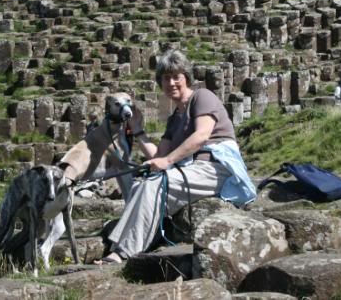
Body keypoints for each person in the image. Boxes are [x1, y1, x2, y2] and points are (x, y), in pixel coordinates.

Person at [98, 50, 256, 263]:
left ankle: (124, 253)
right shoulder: (175, 119)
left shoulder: (202, 97)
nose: (171, 82)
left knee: (155, 184)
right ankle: (118, 247)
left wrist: (168, 161)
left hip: (215, 168)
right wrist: (138, 130)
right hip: (191, 170)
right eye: (165, 78)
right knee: (141, 184)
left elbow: (201, 136)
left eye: (176, 77)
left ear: (187, 78)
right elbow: (159, 156)